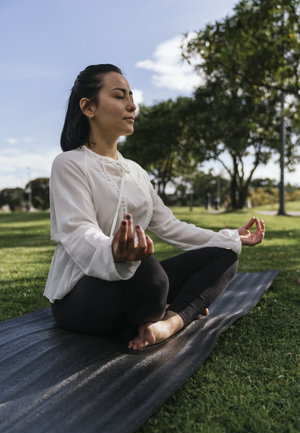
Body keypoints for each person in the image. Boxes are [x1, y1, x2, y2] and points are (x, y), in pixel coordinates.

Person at [44, 64, 265, 351]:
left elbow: (170, 227)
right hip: (81, 299)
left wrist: (231, 237)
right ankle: (162, 307)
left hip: (135, 285)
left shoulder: (137, 172)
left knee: (224, 257)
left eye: (132, 97)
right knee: (149, 273)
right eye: (120, 96)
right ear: (88, 107)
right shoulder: (69, 164)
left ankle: (169, 321)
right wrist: (113, 251)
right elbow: (77, 231)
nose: (132, 105)